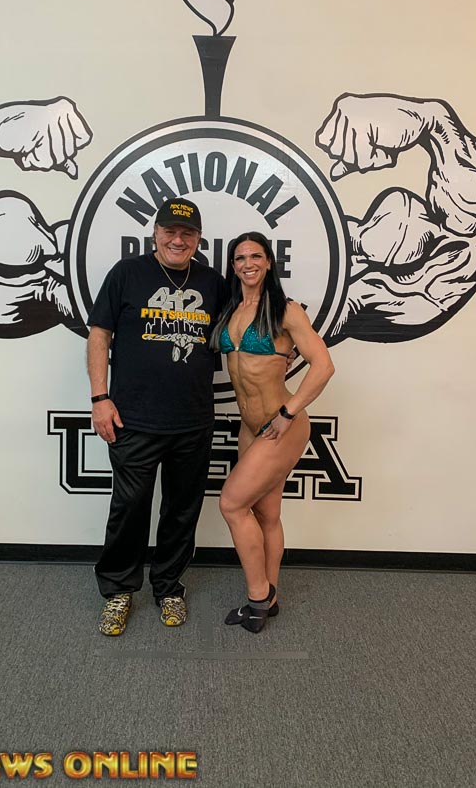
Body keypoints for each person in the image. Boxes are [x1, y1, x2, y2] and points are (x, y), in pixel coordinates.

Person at [87, 198, 227, 636]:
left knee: (182, 510)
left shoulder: (213, 282)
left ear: (198, 239)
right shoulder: (126, 274)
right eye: (170, 231)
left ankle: (168, 586)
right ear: (155, 233)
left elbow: (247, 321)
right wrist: (99, 397)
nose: (178, 240)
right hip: (133, 418)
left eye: (187, 233)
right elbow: (99, 334)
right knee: (129, 508)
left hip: (193, 419)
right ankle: (118, 590)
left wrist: (286, 334)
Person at [211, 232, 335, 633]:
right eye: (240, 257)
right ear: (233, 266)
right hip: (250, 427)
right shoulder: (231, 309)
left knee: (231, 504)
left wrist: (288, 411)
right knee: (266, 513)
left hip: (282, 426)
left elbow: (323, 366)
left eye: (255, 256)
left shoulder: (285, 310)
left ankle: (258, 597)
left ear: (268, 262)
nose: (247, 263)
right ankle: (272, 596)